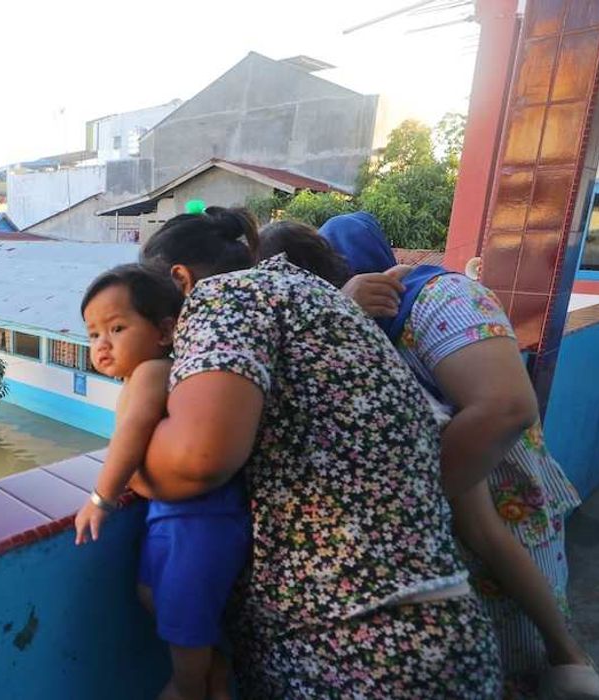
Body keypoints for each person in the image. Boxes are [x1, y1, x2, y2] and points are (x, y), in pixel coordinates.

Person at [131, 206, 500, 698]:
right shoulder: (320, 298)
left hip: (355, 647)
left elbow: (200, 462)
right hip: (427, 630)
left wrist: (122, 468)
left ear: (180, 280)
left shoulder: (222, 298)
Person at [318, 211, 599, 700]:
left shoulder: (442, 297)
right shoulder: (356, 328)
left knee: (525, 656)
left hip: (498, 496)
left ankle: (570, 662)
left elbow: (506, 408)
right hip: (442, 524)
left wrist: (408, 509)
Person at [74, 263, 250, 700]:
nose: (102, 344)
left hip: (197, 521)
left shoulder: (155, 370)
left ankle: (188, 689)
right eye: (93, 335)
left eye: (116, 328)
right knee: (152, 594)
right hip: (169, 518)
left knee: (184, 623)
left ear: (165, 331)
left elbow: (133, 432)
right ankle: (215, 669)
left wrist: (102, 497)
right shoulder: (140, 376)